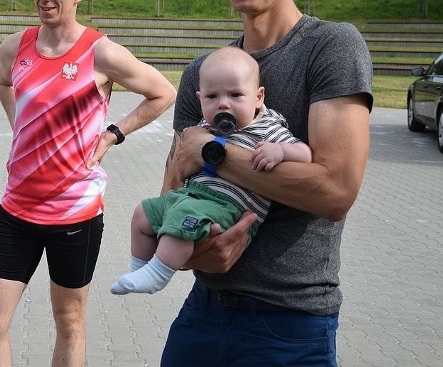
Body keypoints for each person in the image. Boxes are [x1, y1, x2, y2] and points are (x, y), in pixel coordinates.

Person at [160, 0, 373, 367]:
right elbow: (173, 187)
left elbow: (334, 191)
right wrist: (195, 252)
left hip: (290, 323)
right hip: (202, 312)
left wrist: (212, 153)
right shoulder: (205, 72)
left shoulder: (330, 47)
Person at [0, 0, 176, 366]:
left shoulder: (101, 53)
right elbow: (5, 85)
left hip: (74, 213)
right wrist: (21, 125)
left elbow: (163, 92)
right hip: (17, 208)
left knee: (69, 321)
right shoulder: (16, 46)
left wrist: (113, 134)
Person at [110, 46, 311, 295]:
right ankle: (138, 268)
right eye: (212, 97)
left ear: (258, 97)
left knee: (183, 216)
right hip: (193, 195)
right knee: (144, 213)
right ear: (199, 98)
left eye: (236, 95)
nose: (223, 104)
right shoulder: (206, 125)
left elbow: (305, 154)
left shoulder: (268, 128)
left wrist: (280, 151)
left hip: (228, 207)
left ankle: (157, 275)